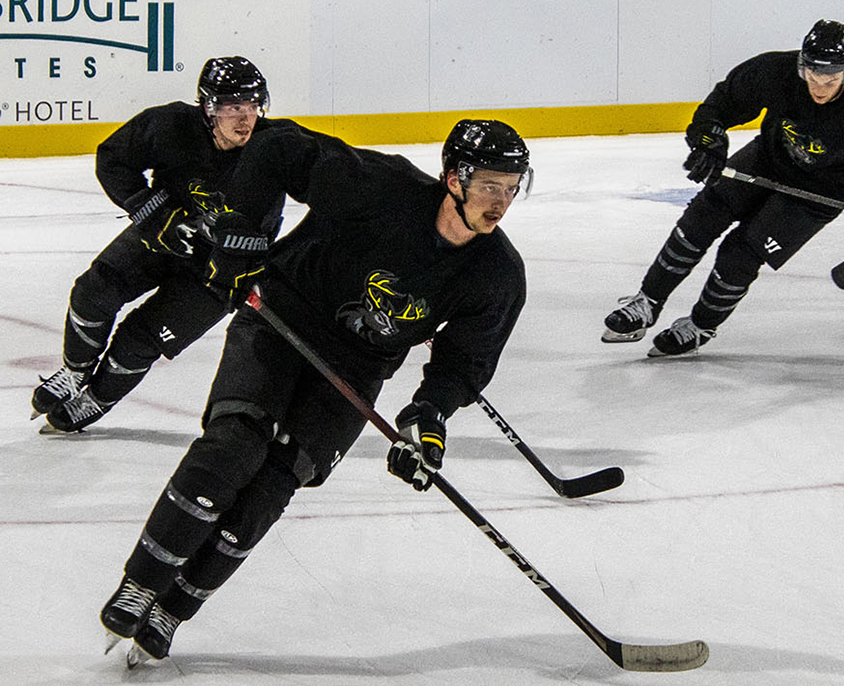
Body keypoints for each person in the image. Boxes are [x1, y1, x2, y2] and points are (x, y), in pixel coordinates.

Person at [96, 119, 530, 665]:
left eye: (513, 186)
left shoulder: (498, 274)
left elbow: (464, 361)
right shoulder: (379, 186)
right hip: (281, 316)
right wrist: (242, 234)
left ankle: (173, 610)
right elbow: (277, 146)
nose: (502, 201)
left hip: (355, 367)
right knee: (235, 445)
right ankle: (143, 582)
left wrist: (429, 416)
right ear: (453, 178)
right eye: (491, 184)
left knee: (276, 482)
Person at [601, 19, 844, 357]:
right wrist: (709, 140)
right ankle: (647, 302)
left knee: (740, 254)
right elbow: (724, 101)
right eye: (812, 76)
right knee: (703, 216)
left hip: (819, 191)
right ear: (802, 65)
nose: (820, 88)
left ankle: (700, 325)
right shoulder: (777, 72)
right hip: (767, 159)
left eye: (831, 79)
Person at [31, 57, 299, 433]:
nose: (245, 119)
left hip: (220, 271)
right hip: (163, 238)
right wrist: (153, 214)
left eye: (253, 106)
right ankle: (75, 372)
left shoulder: (278, 146)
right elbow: (113, 158)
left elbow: (334, 185)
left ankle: (95, 400)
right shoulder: (171, 126)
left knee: (139, 341)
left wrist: (267, 261)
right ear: (208, 108)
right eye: (233, 107)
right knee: (94, 291)